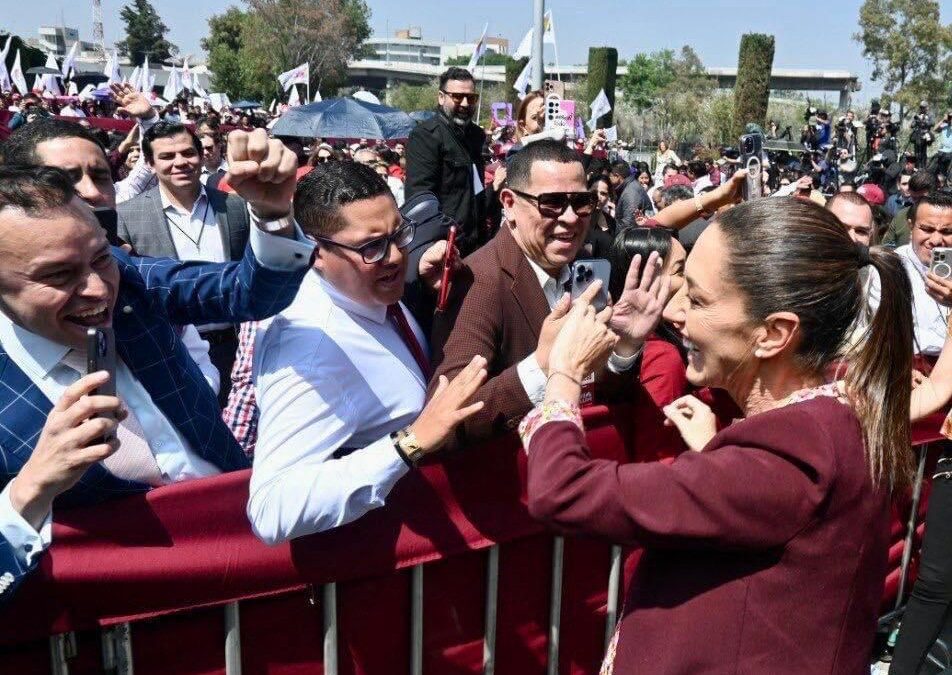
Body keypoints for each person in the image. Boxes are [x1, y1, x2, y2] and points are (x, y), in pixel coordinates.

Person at [524, 196, 913, 673]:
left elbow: (562, 491)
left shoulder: (795, 454)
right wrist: (715, 450)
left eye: (700, 300)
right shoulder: (830, 421)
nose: (679, 313)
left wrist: (563, 373)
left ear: (773, 333)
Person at [0, 137, 313, 600]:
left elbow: (250, 293)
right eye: (59, 276)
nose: (97, 289)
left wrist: (272, 214)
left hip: (253, 568)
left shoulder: (125, 280)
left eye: (100, 258)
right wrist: (30, 491)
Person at [246, 161, 484, 543]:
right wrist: (408, 443)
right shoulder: (312, 352)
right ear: (317, 250)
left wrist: (422, 288)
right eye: (371, 246)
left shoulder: (369, 292)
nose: (393, 256)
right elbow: (271, 510)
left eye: (399, 233)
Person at [429, 140, 660, 445]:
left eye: (581, 202)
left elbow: (596, 392)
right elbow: (447, 422)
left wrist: (625, 349)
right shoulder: (480, 280)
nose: (570, 217)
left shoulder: (584, 273)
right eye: (551, 203)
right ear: (509, 204)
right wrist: (542, 366)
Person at [0, 113, 219, 395]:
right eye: (63, 181)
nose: (90, 192)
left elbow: (202, 367)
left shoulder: (141, 280)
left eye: (100, 176)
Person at [117, 122, 254, 404]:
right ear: (150, 164)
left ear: (201, 156)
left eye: (187, 153)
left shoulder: (236, 206)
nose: (180, 162)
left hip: (236, 346)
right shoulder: (128, 217)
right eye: (167, 157)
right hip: (175, 350)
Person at [0, 85, 159, 206]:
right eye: (67, 179)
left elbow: (148, 167)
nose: (93, 193)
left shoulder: (119, 199)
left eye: (100, 177)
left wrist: (148, 118)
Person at [405, 67, 487, 254]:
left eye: (471, 98)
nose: (465, 104)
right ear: (441, 97)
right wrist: (452, 238)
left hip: (477, 247)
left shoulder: (477, 136)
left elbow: (476, 194)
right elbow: (421, 201)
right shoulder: (426, 136)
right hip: (443, 247)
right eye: (457, 97)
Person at [869, 190, 952, 359]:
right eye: (927, 229)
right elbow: (885, 332)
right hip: (904, 363)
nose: (936, 240)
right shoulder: (889, 268)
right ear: (910, 227)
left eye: (947, 232)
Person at [882, 171, 936, 247]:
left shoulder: (946, 217)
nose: (917, 203)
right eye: (914, 198)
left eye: (922, 199)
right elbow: (886, 246)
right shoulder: (901, 216)